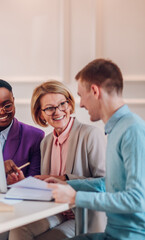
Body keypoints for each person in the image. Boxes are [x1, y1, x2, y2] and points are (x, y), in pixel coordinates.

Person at [47, 59, 145, 240]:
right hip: (113, 233)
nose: (81, 104)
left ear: (94, 91)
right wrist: (66, 184)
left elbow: (138, 200)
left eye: (81, 95)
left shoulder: (132, 130)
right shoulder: (116, 129)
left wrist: (75, 197)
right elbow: (109, 184)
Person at [9, 80, 106, 240]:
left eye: (62, 103)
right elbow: (49, 186)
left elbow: (105, 183)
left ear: (69, 104)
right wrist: (24, 183)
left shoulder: (91, 135)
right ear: (40, 113)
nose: (58, 111)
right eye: (49, 108)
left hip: (83, 213)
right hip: (56, 210)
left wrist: (65, 181)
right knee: (18, 230)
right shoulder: (46, 143)